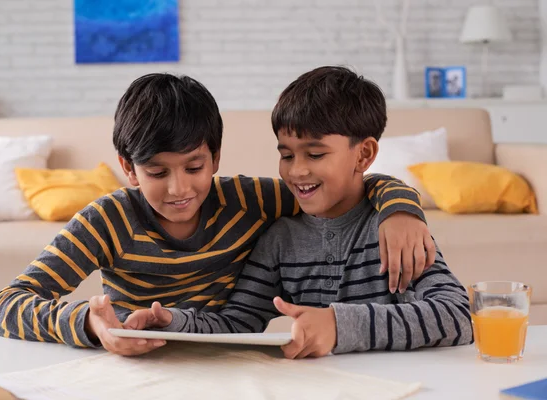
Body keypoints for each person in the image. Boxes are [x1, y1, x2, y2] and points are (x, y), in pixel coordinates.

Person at [0, 72, 435, 356]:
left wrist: (401, 209)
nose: (180, 188)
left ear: (216, 158)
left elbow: (340, 192)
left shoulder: (248, 200)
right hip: (137, 370)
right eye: (157, 172)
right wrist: (86, 322)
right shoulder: (107, 220)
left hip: (227, 362)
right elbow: (5, 305)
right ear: (128, 168)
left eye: (195, 167)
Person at [125, 66, 473, 358]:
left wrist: (338, 325)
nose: (297, 171)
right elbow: (237, 323)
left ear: (364, 155)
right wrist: (176, 322)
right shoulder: (279, 241)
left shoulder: (393, 229)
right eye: (287, 155)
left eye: (315, 154)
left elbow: (459, 316)